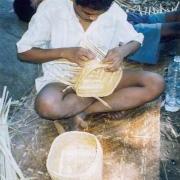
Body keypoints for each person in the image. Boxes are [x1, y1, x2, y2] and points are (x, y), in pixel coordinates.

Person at [16, 0, 164, 127]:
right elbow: (24, 53)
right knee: (46, 106)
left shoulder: (113, 12)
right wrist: (64, 53)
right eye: (86, 13)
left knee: (155, 83)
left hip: (103, 77)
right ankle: (102, 101)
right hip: (62, 79)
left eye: (99, 13)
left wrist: (121, 52)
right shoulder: (52, 8)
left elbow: (136, 40)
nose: (93, 17)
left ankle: (85, 110)